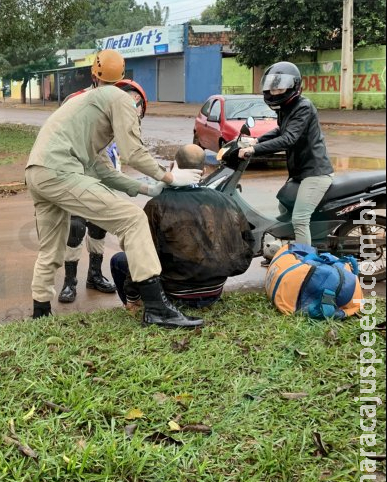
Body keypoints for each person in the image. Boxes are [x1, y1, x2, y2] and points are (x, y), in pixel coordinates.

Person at [25, 48, 204, 328]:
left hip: (36, 173)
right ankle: (157, 307)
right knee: (132, 220)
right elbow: (133, 153)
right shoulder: (120, 98)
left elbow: (100, 168)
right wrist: (169, 178)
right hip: (60, 171)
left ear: (93, 75)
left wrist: (146, 189)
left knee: (50, 251)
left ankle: (40, 314)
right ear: (123, 78)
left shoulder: (82, 105)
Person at [111, 144, 255, 307]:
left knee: (119, 260)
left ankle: (135, 304)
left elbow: (141, 253)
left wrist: (132, 293)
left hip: (174, 295)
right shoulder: (226, 201)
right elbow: (247, 244)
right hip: (214, 292)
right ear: (203, 172)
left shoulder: (157, 205)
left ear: (172, 167)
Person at [58, 79, 149, 303]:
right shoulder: (82, 108)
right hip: (77, 182)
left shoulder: (120, 123)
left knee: (99, 229)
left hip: (102, 182)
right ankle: (69, 282)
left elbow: (127, 150)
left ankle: (94, 275)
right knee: (75, 229)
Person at [238, 61, 334, 248]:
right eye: (272, 89)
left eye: (279, 89)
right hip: (299, 174)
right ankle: (281, 251)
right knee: (285, 207)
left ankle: (305, 262)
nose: (274, 92)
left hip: (315, 173)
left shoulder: (303, 106)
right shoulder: (286, 107)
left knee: (299, 218)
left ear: (293, 86)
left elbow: (288, 138)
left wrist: (253, 149)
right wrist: (257, 140)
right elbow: (280, 131)